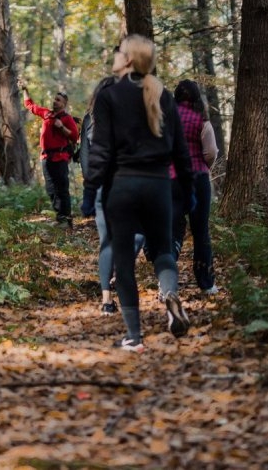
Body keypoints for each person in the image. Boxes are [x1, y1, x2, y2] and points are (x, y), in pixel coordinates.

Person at [85, 34, 193, 351]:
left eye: (119, 52)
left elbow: (101, 151)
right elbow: (181, 154)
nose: (115, 56)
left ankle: (135, 337)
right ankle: (170, 292)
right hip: (159, 186)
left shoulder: (109, 96)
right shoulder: (164, 96)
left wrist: (90, 191)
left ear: (129, 59)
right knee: (162, 250)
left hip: (122, 187)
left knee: (124, 261)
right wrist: (188, 194)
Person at [82, 53, 146, 316]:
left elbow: (87, 160)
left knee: (108, 241)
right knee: (137, 235)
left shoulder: (90, 120)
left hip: (102, 187)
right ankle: (112, 288)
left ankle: (107, 299)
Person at [172, 79, 219, 294]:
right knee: (201, 232)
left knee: (172, 230)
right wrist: (202, 166)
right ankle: (206, 283)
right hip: (198, 179)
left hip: (172, 180)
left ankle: (167, 283)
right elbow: (211, 152)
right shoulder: (201, 119)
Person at [22, 86, 79, 228]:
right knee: (51, 189)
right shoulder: (47, 114)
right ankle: (60, 217)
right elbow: (30, 105)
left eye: (58, 100)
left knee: (62, 189)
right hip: (46, 158)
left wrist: (61, 127)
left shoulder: (67, 119)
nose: (55, 102)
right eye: (54, 99)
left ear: (64, 104)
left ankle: (65, 219)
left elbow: (74, 136)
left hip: (60, 157)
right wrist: (25, 90)